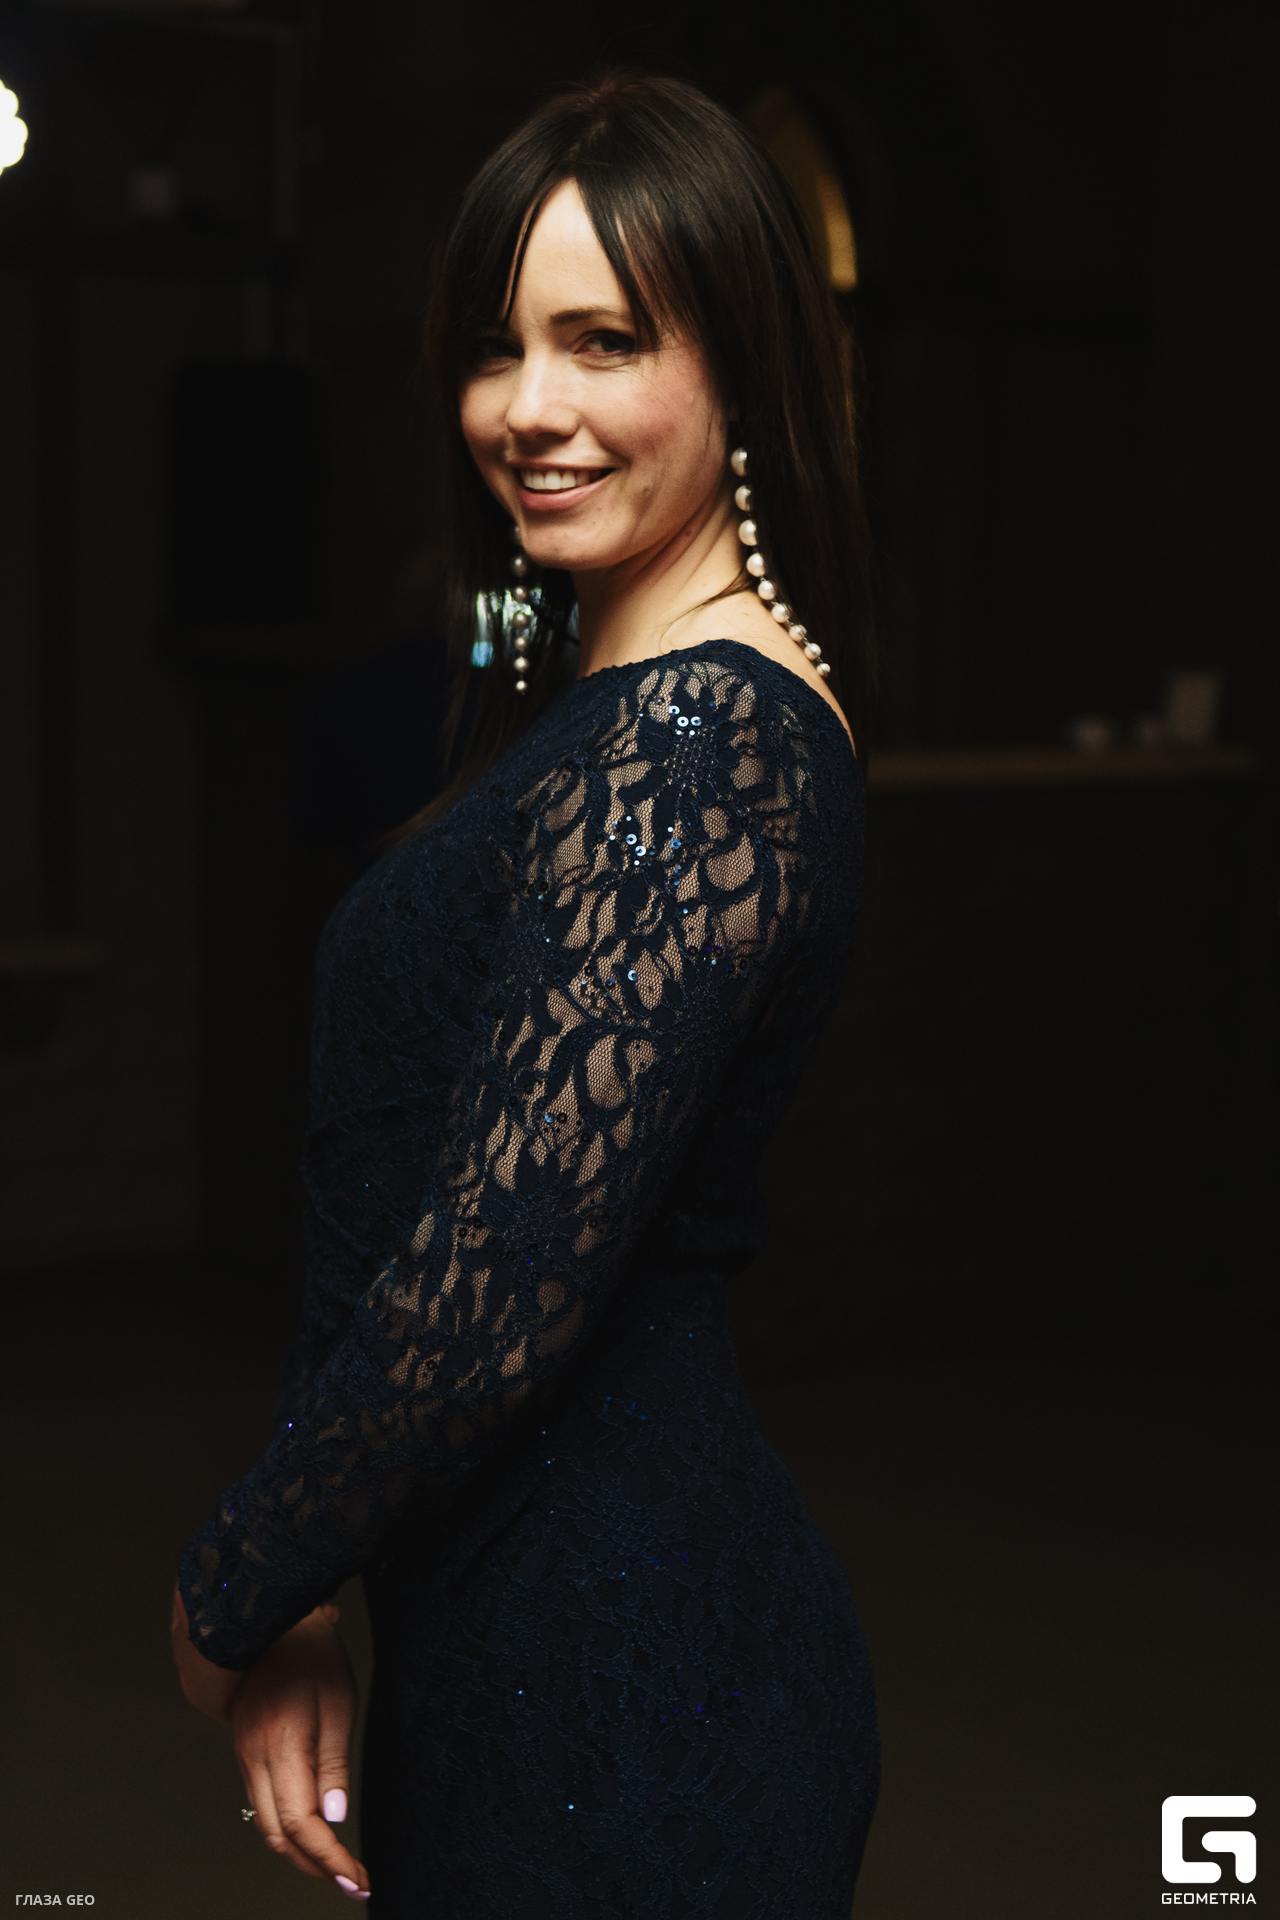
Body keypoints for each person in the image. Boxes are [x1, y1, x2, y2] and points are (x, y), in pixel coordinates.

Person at [172, 69, 880, 1917]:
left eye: (604, 340)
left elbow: (486, 1287)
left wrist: (235, 1583)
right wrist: (316, 1584)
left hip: (627, 1687)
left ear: (743, 366)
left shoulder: (704, 737)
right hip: (500, 1637)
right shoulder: (598, 698)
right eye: (496, 347)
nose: (530, 406)